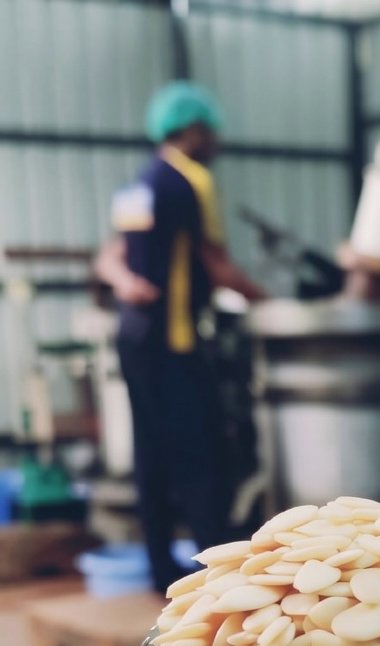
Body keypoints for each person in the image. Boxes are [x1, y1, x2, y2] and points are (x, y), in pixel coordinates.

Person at [95, 81, 267, 593]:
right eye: (211, 132)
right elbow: (216, 263)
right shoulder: (192, 180)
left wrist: (125, 283)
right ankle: (217, 577)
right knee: (199, 451)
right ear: (191, 130)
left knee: (150, 450)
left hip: (132, 334)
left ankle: (160, 571)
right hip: (173, 340)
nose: (216, 143)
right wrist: (271, 302)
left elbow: (109, 256)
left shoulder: (140, 183)